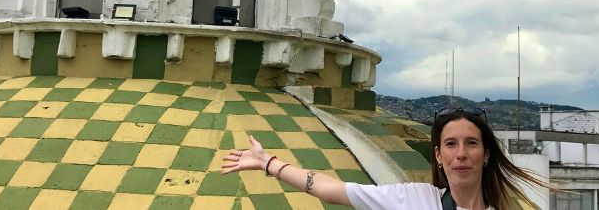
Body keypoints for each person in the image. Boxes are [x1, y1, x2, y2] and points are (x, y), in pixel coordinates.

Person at [221, 106, 546, 210]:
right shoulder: (414, 199)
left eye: (471, 143)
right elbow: (331, 190)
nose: (461, 154)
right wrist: (268, 163)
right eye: (450, 144)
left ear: (486, 154)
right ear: (438, 155)